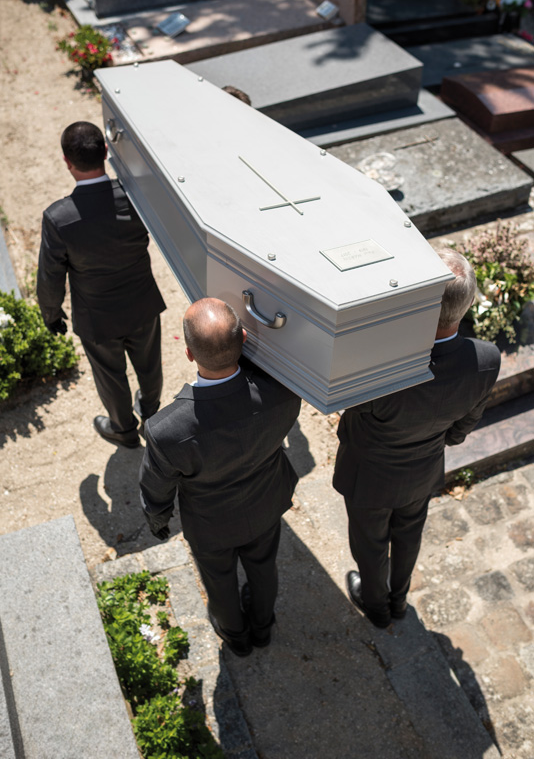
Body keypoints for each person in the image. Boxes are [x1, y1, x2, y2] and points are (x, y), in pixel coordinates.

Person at [333, 248, 501, 629]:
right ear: (469, 304)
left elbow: (350, 406)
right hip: (423, 469)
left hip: (369, 475)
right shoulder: (486, 359)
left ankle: (376, 606)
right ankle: (399, 599)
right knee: (409, 535)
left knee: (370, 545)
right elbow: (463, 427)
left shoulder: (381, 364)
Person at [139, 298, 300, 656]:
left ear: (189, 354)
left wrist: (157, 518)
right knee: (263, 568)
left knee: (219, 581)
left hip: (210, 525)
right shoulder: (284, 393)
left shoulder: (166, 431)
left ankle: (236, 637)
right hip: (264, 504)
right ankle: (262, 627)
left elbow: (156, 487)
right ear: (243, 338)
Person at [37, 121, 166, 449]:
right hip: (143, 302)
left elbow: (51, 275)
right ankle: (151, 413)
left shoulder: (59, 218)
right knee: (150, 364)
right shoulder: (135, 197)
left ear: (67, 162)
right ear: (106, 152)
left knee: (110, 377)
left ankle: (123, 431)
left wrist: (51, 314)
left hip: (97, 316)